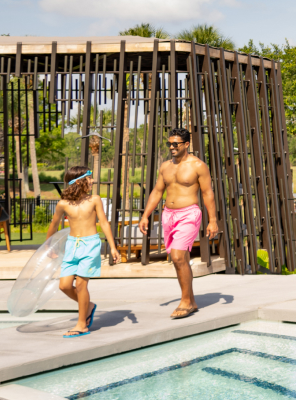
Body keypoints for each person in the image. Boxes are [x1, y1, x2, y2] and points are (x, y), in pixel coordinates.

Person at [137, 128, 220, 319]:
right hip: (168, 215)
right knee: (180, 259)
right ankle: (191, 300)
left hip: (189, 213)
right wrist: (145, 215)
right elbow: (157, 191)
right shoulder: (165, 166)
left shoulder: (198, 166)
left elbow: (207, 193)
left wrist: (213, 220)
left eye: (176, 144)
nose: (171, 147)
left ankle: (185, 302)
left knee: (177, 256)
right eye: (169, 143)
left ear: (186, 144)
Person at [45, 166, 121, 338]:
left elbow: (104, 223)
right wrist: (49, 247)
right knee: (64, 286)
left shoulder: (94, 199)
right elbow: (54, 225)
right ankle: (89, 306)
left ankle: (81, 324)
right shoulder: (63, 203)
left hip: (90, 245)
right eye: (89, 178)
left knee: (80, 284)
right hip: (72, 246)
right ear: (79, 181)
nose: (92, 181)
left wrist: (113, 247)